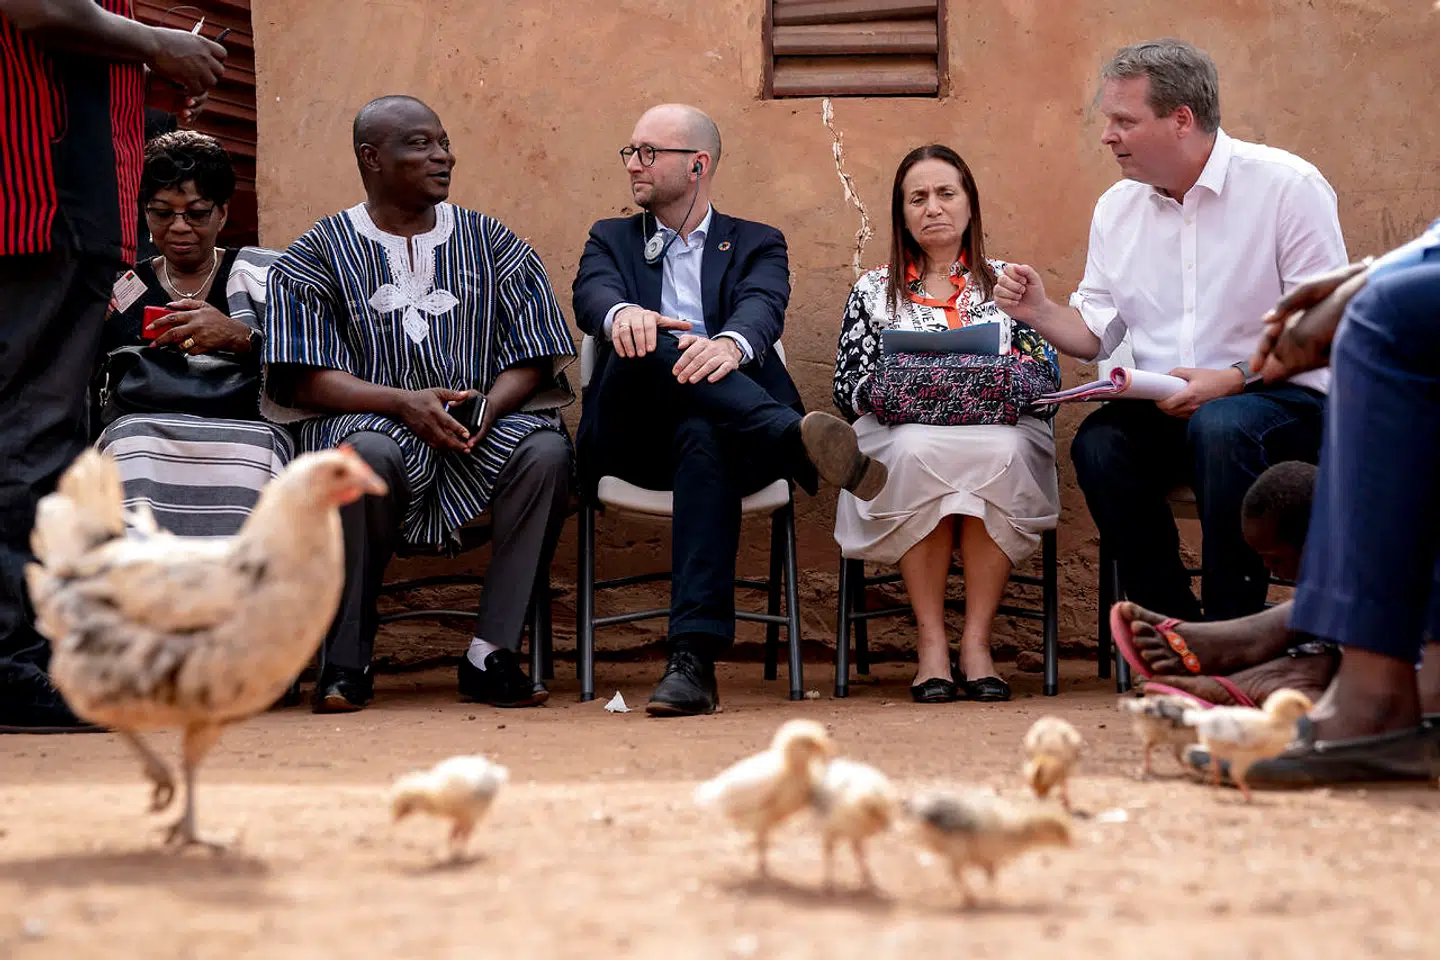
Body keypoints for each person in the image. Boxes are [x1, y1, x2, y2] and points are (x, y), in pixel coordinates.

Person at [995, 38, 1347, 626]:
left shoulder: (1288, 186)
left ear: (1181, 119)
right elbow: (1094, 334)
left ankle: (1233, 628)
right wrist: (1039, 311)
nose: (1107, 135)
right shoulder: (1116, 208)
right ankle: (1176, 630)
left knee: (1222, 426)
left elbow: (1323, 327)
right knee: (1098, 445)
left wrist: (1232, 379)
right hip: (1169, 406)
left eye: (1124, 121)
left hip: (1283, 400)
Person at [572, 103, 888, 717]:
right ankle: (791, 437)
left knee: (704, 433)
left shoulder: (756, 242)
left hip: (724, 444)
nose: (633, 164)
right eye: (630, 151)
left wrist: (728, 347)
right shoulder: (610, 238)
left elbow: (763, 307)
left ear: (698, 165)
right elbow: (593, 295)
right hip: (633, 435)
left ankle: (691, 662)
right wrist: (623, 314)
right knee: (650, 337)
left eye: (648, 153)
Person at [264, 96, 575, 714]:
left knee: (545, 452)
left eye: (444, 142)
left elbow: (537, 351)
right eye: (420, 144)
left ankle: (489, 652)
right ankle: (346, 659)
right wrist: (401, 403)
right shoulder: (315, 254)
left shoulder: (494, 242)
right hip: (370, 426)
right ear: (371, 158)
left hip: (476, 428)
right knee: (361, 456)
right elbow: (302, 377)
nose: (443, 156)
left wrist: (490, 404)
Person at [0, 0, 225, 733]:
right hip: (38, 204)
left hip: (67, 207)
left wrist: (145, 70)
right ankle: (11, 662)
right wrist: (156, 43)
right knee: (29, 435)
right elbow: (39, 8)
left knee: (44, 436)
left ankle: (28, 650)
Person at [830, 145, 1061, 704]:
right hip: (902, 432)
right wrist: (914, 387)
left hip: (1001, 430)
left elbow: (1047, 381)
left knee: (998, 451)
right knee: (915, 450)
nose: (932, 207)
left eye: (945, 193)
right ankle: (931, 643)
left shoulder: (1009, 282)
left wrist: (944, 381)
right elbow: (847, 386)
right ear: (902, 214)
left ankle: (976, 644)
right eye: (917, 198)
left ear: (970, 204)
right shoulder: (873, 289)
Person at [94, 130, 292, 537]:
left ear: (223, 213)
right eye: (162, 213)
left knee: (259, 455)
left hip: (247, 438)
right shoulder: (121, 289)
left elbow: (308, 367)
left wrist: (239, 338)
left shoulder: (267, 276)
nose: (179, 227)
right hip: (142, 439)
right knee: (129, 445)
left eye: (197, 213)